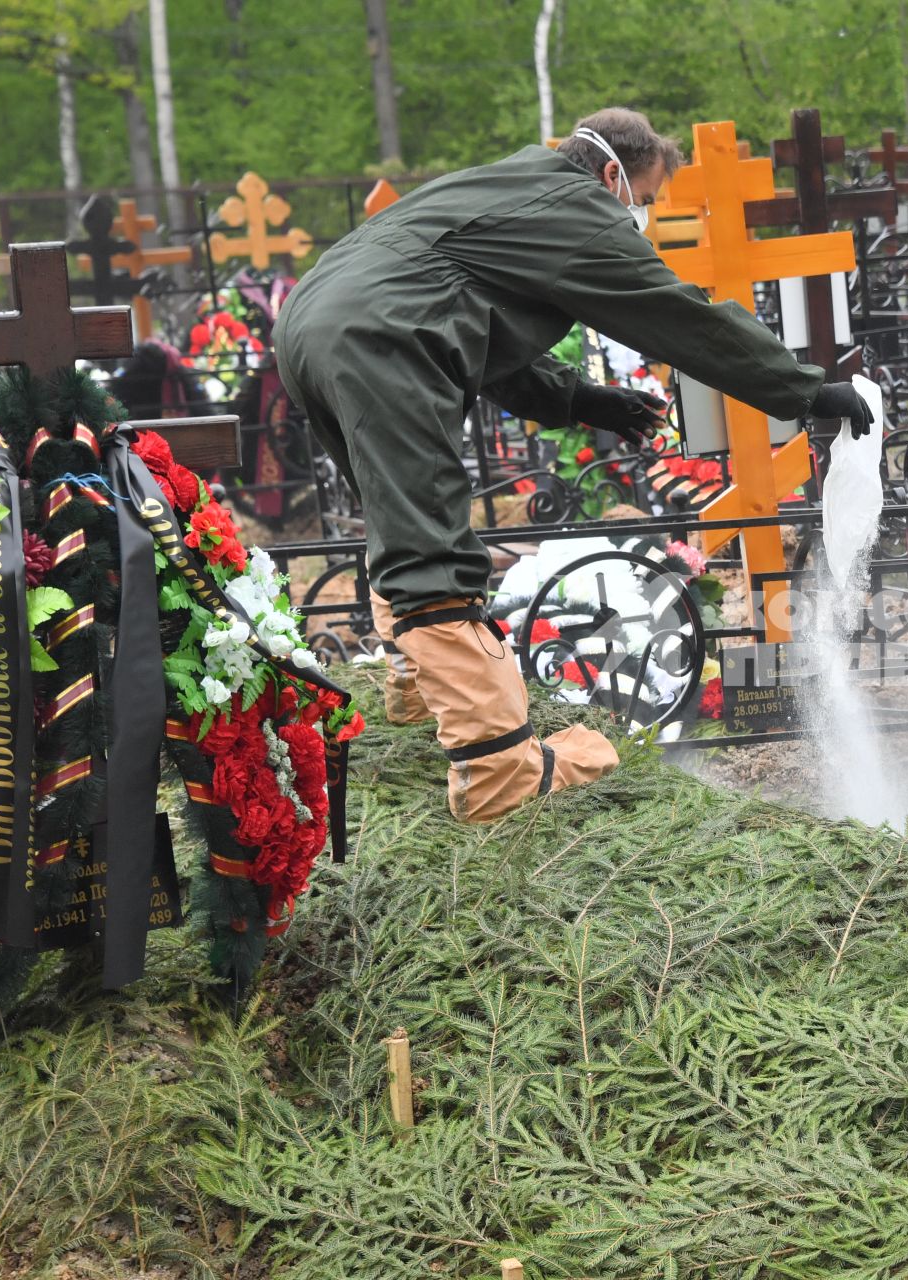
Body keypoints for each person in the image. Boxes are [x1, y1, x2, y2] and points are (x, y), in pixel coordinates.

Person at [277, 107, 872, 822]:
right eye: (646, 199)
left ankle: (414, 692)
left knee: (396, 510)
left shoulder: (511, 183)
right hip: (379, 339)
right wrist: (804, 389)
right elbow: (675, 313)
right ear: (613, 172)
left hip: (315, 325)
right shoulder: (577, 205)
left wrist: (584, 400)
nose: (642, 216)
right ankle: (496, 769)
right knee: (429, 541)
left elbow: (467, 318)